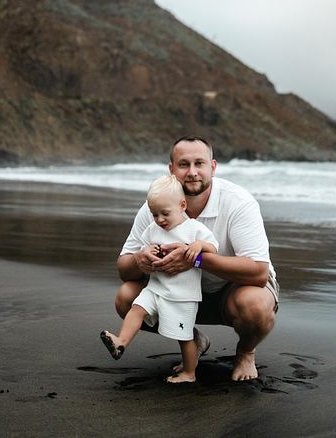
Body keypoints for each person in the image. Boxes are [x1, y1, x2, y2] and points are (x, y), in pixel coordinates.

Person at [115, 136, 279, 381]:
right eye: (184, 164)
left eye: (199, 163)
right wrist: (140, 259)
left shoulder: (238, 202)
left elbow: (258, 273)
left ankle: (246, 352)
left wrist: (196, 259)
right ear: (171, 169)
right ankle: (192, 340)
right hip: (177, 292)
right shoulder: (157, 208)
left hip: (231, 291)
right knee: (126, 298)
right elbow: (124, 269)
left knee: (255, 306)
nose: (192, 172)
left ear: (212, 167)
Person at [101, 174, 218, 383]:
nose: (160, 219)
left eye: (165, 213)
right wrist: (145, 252)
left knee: (184, 337)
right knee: (136, 309)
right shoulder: (153, 228)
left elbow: (213, 247)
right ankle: (121, 342)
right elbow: (142, 248)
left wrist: (199, 246)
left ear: (182, 205)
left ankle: (189, 372)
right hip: (155, 288)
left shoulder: (193, 228)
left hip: (181, 295)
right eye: (154, 214)